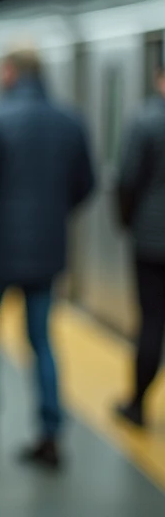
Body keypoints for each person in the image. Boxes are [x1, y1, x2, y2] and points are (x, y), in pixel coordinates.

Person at [0, 44, 95, 470]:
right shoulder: (70, 120)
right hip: (46, 251)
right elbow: (86, 183)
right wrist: (53, 215)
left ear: (10, 71)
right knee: (41, 341)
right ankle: (50, 432)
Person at [113, 67, 165, 428]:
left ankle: (138, 404)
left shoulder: (145, 121)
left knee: (151, 321)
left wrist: (128, 222)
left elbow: (127, 179)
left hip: (152, 239)